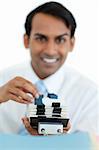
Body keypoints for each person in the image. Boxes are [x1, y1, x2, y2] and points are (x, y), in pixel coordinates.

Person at [0, 1, 98, 136]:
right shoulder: (2, 82)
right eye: (41, 38)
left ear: (71, 43)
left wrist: (58, 143)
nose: (50, 51)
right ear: (26, 40)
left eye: (60, 40)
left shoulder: (90, 95)